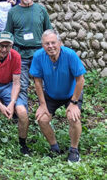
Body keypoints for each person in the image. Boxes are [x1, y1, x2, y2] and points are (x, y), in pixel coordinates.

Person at [30, 30, 85, 163]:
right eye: (47, 43)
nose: (50, 46)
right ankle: (54, 148)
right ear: (42, 46)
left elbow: (80, 80)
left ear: (59, 43)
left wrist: (74, 102)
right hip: (51, 94)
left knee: (73, 117)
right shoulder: (38, 56)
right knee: (42, 119)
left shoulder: (70, 55)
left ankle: (74, 150)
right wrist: (42, 104)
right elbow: (37, 81)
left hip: (71, 94)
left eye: (53, 42)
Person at [5, 0, 52, 106]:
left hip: (40, 53)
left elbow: (49, 31)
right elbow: (8, 34)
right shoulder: (13, 12)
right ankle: (22, 112)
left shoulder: (41, 10)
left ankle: (48, 109)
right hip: (20, 54)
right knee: (22, 85)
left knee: (45, 82)